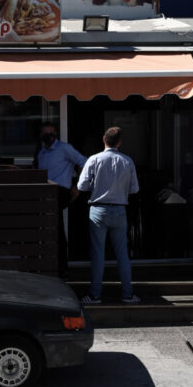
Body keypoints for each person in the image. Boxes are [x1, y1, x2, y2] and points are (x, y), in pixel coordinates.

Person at [76, 126, 141, 304]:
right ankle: (127, 294)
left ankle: (95, 294)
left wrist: (96, 186)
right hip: (120, 209)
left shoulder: (94, 159)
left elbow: (82, 186)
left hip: (98, 209)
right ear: (119, 142)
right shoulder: (127, 161)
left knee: (98, 253)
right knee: (122, 254)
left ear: (104, 139)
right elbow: (134, 189)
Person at [35, 121, 86, 278]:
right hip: (45, 194)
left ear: (55, 134)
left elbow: (84, 162)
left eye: (51, 133)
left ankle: (61, 267)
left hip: (59, 191)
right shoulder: (41, 153)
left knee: (56, 229)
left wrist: (78, 186)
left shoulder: (64, 148)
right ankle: (48, 264)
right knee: (47, 229)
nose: (49, 136)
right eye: (46, 133)